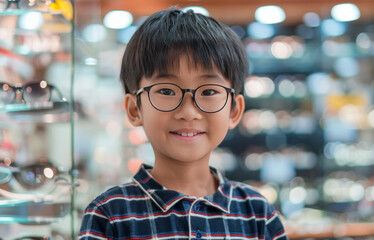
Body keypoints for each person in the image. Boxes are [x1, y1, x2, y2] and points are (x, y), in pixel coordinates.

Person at [79, 8, 287, 240]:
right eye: (166, 90)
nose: (188, 112)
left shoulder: (258, 214)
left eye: (209, 91)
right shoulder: (110, 215)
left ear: (234, 110)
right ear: (134, 109)